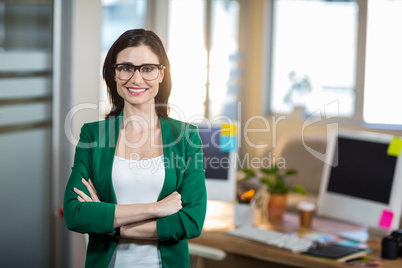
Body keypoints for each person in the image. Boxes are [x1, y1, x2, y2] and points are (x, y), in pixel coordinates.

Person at [63, 29, 207, 268]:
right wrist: (156, 209)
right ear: (114, 73)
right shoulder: (93, 134)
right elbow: (75, 214)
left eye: (148, 68)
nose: (136, 79)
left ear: (162, 74)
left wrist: (108, 222)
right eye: (126, 68)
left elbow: (190, 222)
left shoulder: (186, 137)